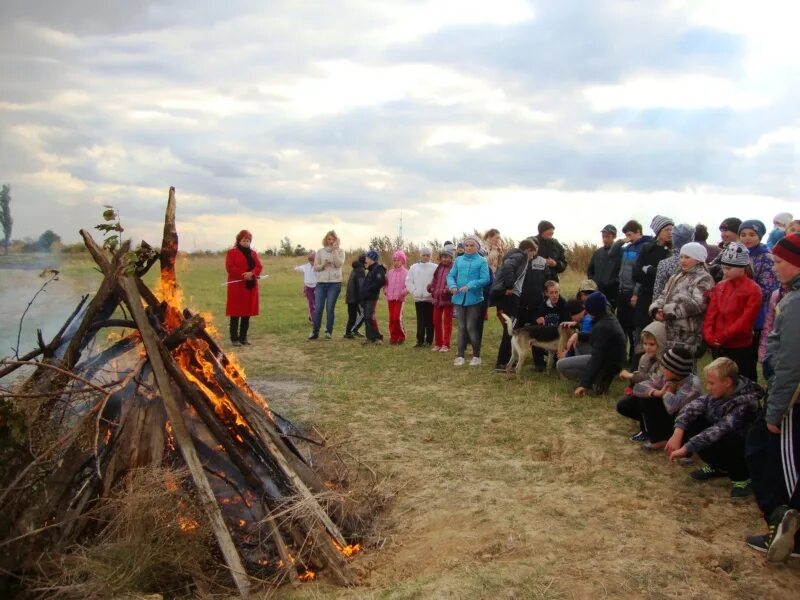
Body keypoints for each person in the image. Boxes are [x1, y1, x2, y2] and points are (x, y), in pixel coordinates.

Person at [744, 233, 800, 561]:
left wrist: (775, 411)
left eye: (779, 262)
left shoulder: (795, 304)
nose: (774, 267)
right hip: (787, 394)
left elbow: (791, 363)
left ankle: (785, 528)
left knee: (778, 462)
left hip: (791, 399)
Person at [665, 357, 763, 500]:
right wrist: (678, 431)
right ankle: (718, 467)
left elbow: (719, 430)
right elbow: (692, 406)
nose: (708, 387)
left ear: (728, 382)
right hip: (722, 439)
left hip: (743, 449)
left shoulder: (747, 404)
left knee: (731, 436)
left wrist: (686, 448)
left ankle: (742, 478)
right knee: (693, 419)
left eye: (711, 383)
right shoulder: (721, 392)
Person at [622, 347, 703, 450]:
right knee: (626, 405)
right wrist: (658, 392)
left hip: (684, 422)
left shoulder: (692, 384)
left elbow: (672, 407)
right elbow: (637, 388)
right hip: (669, 414)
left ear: (675, 370)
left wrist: (668, 392)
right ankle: (657, 433)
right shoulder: (666, 376)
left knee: (649, 401)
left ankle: (663, 439)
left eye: (665, 366)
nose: (661, 368)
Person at [703, 242, 761, 380]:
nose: (725, 271)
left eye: (729, 268)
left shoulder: (753, 289)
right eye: (723, 267)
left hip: (739, 345)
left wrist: (723, 336)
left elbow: (745, 320)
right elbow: (712, 313)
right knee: (720, 380)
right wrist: (709, 335)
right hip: (719, 343)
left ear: (742, 268)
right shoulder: (720, 286)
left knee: (741, 380)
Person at [649, 241, 714, 358]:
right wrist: (656, 309)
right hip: (669, 329)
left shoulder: (704, 278)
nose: (683, 260)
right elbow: (664, 295)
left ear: (698, 259)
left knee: (685, 367)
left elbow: (698, 304)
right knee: (668, 364)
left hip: (688, 334)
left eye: (687, 257)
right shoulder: (676, 276)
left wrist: (669, 312)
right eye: (681, 257)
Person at [556, 292, 626, 396]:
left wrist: (584, 384)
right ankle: (593, 379)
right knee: (578, 343)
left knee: (561, 365)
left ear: (592, 309)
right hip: (614, 360)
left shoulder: (602, 326)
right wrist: (578, 335)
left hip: (608, 364)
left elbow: (596, 358)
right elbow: (596, 337)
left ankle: (596, 383)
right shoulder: (607, 317)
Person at [489, 239, 540, 371]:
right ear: (528, 250)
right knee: (510, 330)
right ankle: (502, 363)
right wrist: (509, 285)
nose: (533, 255)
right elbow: (508, 267)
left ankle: (506, 361)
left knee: (510, 329)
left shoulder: (515, 255)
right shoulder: (520, 256)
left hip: (506, 297)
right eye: (533, 252)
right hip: (509, 298)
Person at [739, 219, 780, 379]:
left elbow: (768, 290)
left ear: (760, 236)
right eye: (743, 234)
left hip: (756, 315)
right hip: (736, 311)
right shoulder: (737, 253)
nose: (747, 238)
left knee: (748, 361)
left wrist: (743, 296)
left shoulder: (766, 257)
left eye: (752, 234)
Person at [631, 215, 674, 362]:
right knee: (642, 337)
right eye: (667, 229)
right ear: (658, 231)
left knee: (660, 339)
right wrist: (649, 273)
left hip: (664, 301)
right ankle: (637, 373)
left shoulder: (674, 251)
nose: (670, 232)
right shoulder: (647, 249)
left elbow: (669, 275)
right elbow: (635, 273)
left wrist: (649, 271)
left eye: (672, 229)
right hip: (645, 299)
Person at [616, 321, 667, 442]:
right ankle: (646, 426)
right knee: (623, 405)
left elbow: (656, 381)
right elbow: (641, 380)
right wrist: (632, 385)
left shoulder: (666, 360)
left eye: (652, 344)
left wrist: (631, 376)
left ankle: (653, 432)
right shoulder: (644, 358)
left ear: (661, 343)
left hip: (661, 398)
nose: (647, 347)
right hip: (647, 393)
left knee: (645, 401)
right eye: (645, 343)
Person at [447, 235, 490, 367]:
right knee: (461, 327)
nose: (469, 248)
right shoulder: (458, 260)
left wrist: (471, 285)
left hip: (474, 299)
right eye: (467, 245)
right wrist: (452, 286)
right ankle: (460, 355)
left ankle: (476, 356)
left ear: (477, 247)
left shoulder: (482, 261)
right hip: (459, 298)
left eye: (472, 245)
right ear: (464, 247)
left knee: (471, 327)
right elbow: (451, 275)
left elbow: (486, 279)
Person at [617, 220, 651, 364]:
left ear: (638, 231)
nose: (628, 237)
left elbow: (639, 274)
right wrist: (622, 241)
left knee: (633, 328)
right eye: (626, 235)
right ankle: (621, 357)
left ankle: (633, 359)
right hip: (622, 290)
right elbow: (613, 251)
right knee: (622, 326)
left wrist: (636, 293)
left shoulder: (645, 248)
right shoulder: (628, 247)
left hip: (633, 293)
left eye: (630, 234)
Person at [225, 230, 263, 346]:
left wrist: (252, 274)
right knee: (235, 313)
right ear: (239, 241)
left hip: (250, 287)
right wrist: (243, 274)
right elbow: (230, 267)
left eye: (248, 241)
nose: (246, 243)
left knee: (247, 313)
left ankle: (243, 337)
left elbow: (259, 266)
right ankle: (234, 338)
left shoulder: (253, 253)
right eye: (244, 240)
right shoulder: (232, 252)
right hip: (237, 287)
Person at [309, 230, 345, 340]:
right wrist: (323, 264)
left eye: (333, 239)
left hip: (334, 283)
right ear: (326, 240)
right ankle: (315, 332)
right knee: (318, 308)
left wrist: (334, 251)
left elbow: (339, 264)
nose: (331, 241)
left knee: (330, 308)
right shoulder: (320, 251)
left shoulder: (341, 251)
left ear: (336, 240)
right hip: (321, 283)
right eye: (329, 239)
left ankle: (328, 332)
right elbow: (316, 268)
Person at [652, 223, 695, 300]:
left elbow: (657, 291)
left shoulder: (665, 263)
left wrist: (655, 309)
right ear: (692, 239)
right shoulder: (697, 261)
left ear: (674, 239)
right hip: (691, 308)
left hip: (667, 307)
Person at [405, 247, 437, 347]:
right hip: (418, 298)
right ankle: (419, 340)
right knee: (420, 320)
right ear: (421, 255)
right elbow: (409, 281)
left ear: (430, 256)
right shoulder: (414, 267)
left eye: (428, 255)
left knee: (430, 320)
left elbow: (437, 281)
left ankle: (429, 340)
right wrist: (414, 291)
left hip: (430, 298)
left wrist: (433, 292)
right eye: (424, 255)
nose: (426, 257)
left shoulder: (435, 267)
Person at [587, 224, 623, 308]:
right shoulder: (597, 253)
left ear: (614, 237)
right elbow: (590, 271)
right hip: (597, 292)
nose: (604, 239)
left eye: (607, 237)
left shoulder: (621, 253)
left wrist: (613, 283)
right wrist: (593, 283)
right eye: (603, 236)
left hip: (612, 293)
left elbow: (622, 273)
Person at [428, 247, 455, 352]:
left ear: (451, 258)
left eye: (447, 257)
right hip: (437, 298)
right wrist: (431, 287)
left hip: (447, 298)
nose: (444, 259)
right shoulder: (438, 268)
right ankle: (438, 343)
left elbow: (454, 281)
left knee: (447, 322)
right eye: (443, 257)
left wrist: (447, 290)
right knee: (436, 320)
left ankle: (446, 344)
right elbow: (435, 280)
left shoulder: (453, 268)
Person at [361, 250, 386, 345]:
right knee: (366, 317)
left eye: (367, 257)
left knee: (370, 316)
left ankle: (377, 337)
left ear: (372, 259)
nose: (365, 259)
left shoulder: (378, 268)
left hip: (372, 297)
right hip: (366, 297)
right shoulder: (370, 269)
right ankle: (369, 337)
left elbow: (381, 281)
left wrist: (370, 289)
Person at [385, 250, 409, 345]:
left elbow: (409, 286)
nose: (396, 262)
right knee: (391, 318)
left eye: (398, 260)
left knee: (397, 318)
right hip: (390, 298)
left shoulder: (406, 273)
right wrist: (386, 291)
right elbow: (386, 284)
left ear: (402, 261)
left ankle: (401, 336)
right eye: (394, 260)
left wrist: (403, 293)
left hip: (400, 299)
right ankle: (393, 337)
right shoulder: (390, 273)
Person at [709, 217, 743, 283]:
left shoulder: (740, 251)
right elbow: (712, 266)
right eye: (721, 231)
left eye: (725, 230)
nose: (722, 235)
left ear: (737, 232)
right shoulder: (726, 249)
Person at [343, 255, 366, 338]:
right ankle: (349, 332)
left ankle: (351, 331)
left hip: (351, 297)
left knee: (353, 316)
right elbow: (361, 285)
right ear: (365, 261)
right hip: (355, 298)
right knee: (364, 313)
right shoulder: (361, 270)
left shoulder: (356, 269)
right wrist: (362, 298)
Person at [294, 251, 317, 323]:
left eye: (313, 261)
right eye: (310, 261)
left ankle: (313, 316)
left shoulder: (318, 267)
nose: (312, 263)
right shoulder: (306, 266)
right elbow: (297, 268)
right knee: (311, 303)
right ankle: (313, 319)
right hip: (308, 287)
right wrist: (296, 267)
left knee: (316, 303)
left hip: (317, 287)